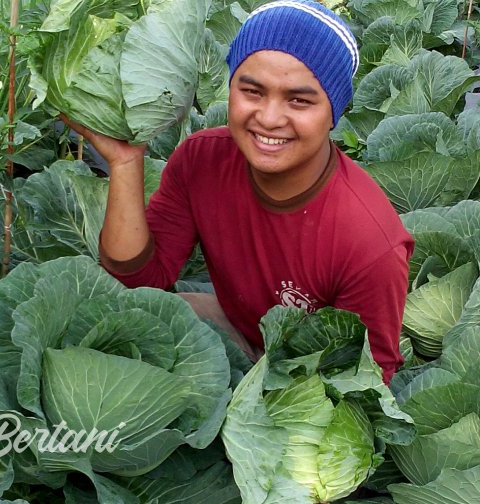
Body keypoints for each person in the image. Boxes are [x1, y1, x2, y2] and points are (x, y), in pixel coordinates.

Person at [62, 0, 413, 382]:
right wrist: (126, 164)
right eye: (253, 91)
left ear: (334, 111)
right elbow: (140, 283)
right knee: (129, 320)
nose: (269, 118)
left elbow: (367, 380)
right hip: (240, 328)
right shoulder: (201, 160)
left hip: (309, 383)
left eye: (299, 100)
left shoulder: (370, 244)